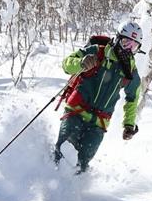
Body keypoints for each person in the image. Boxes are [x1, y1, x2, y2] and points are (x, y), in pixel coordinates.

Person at [54, 21, 142, 174]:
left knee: (82, 163)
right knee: (63, 153)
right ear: (118, 38)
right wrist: (81, 63)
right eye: (125, 42)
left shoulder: (131, 71)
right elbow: (66, 64)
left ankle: (70, 192)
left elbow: (132, 98)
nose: (128, 48)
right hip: (76, 112)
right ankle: (47, 181)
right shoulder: (96, 52)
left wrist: (129, 124)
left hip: (99, 124)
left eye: (134, 46)